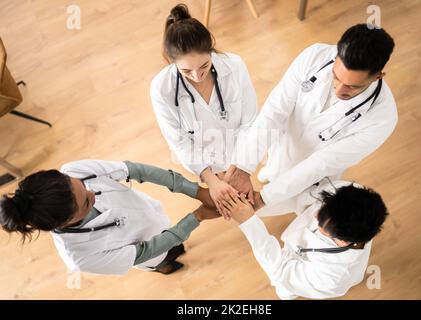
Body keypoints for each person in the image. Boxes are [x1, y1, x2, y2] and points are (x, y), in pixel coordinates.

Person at [225, 24, 397, 210]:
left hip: (312, 176)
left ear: (378, 76)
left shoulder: (382, 118)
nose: (339, 90)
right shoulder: (315, 56)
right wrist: (243, 166)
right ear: (336, 56)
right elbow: (275, 110)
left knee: (295, 203)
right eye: (336, 76)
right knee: (272, 167)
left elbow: (321, 163)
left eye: (352, 87)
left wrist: (264, 198)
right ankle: (269, 172)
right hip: (284, 145)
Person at [0, 159, 219, 275]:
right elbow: (144, 252)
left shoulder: (74, 169)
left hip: (153, 215)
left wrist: (198, 192)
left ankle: (175, 248)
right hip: (151, 252)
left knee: (175, 240)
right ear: (64, 222)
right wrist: (197, 216)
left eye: (83, 186)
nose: (92, 193)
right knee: (164, 258)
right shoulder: (80, 256)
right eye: (86, 202)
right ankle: (164, 268)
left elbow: (136, 170)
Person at [150, 4, 258, 213]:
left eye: (204, 66)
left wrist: (241, 169)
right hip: (204, 162)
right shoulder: (161, 89)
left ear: (211, 50)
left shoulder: (235, 66)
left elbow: (250, 122)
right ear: (172, 62)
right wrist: (211, 180)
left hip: (240, 154)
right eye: (186, 71)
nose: (197, 76)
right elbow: (180, 142)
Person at [221, 178, 389, 299]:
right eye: (322, 210)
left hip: (309, 280)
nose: (315, 214)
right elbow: (309, 195)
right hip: (300, 251)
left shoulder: (330, 278)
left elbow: (279, 271)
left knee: (284, 289)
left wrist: (249, 222)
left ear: (343, 242)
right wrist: (258, 204)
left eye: (322, 224)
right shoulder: (346, 192)